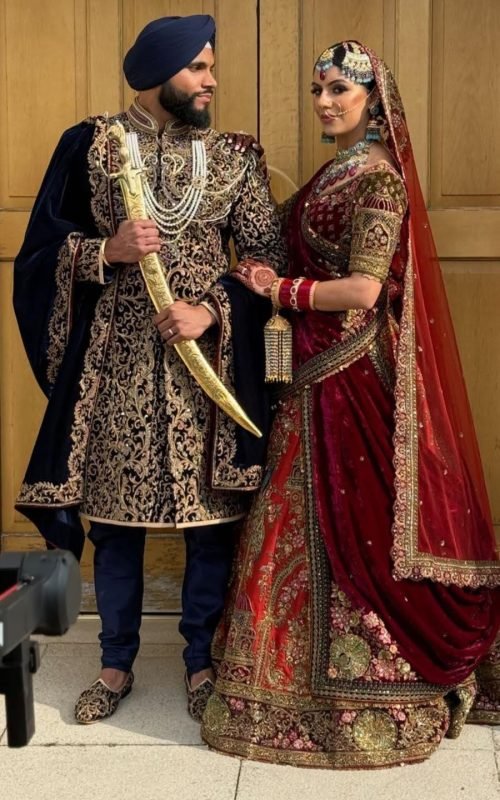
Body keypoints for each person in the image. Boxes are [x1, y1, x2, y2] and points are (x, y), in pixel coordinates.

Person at [201, 40, 500, 768]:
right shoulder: (333, 172)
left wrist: (280, 292)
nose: (326, 101)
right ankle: (273, 680)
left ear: (372, 97)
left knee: (360, 524)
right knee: (298, 520)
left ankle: (382, 678)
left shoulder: (380, 182)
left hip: (355, 376)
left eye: (340, 88)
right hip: (313, 375)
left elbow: (366, 291)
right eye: (318, 90)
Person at [13, 15, 285, 724]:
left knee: (208, 525)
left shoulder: (235, 156)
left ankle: (200, 664)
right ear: (160, 72)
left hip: (206, 370)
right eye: (198, 68)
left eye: (211, 67)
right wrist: (106, 253)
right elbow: (40, 254)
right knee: (114, 525)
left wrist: (214, 309)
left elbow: (268, 260)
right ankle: (114, 660)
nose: (211, 80)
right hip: (115, 367)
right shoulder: (90, 147)